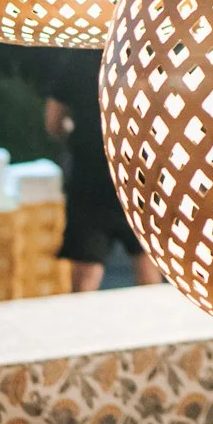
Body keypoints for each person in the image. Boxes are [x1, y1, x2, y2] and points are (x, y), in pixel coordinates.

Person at [44, 48, 159, 291]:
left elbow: (53, 122)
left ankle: (81, 329)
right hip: (136, 177)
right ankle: (154, 327)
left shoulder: (76, 59)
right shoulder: (144, 52)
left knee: (86, 274)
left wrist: (76, 130)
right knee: (147, 266)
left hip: (90, 176)